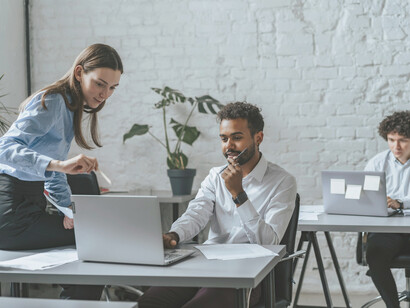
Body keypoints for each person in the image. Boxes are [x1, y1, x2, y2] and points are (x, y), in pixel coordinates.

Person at [138, 102, 297, 308]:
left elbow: (269, 242)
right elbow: (196, 214)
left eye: (237, 138)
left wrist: (238, 194)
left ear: (258, 138)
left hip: (249, 273)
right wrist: (174, 235)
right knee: (149, 302)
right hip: (206, 264)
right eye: (224, 139)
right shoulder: (215, 175)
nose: (229, 146)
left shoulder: (282, 182)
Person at [0, 43, 123, 299]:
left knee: (93, 234)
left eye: (112, 88)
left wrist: (70, 210)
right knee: (97, 239)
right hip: (10, 215)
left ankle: (75, 302)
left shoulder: (68, 107)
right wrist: (58, 165)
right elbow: (5, 147)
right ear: (79, 73)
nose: (105, 94)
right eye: (100, 83)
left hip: (28, 207)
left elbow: (54, 172)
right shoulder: (54, 101)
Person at [365, 110, 410, 308]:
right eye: (391, 139)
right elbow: (364, 197)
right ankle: (393, 306)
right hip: (388, 230)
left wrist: (400, 203)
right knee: (375, 255)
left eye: (402, 140)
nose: (396, 146)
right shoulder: (377, 162)